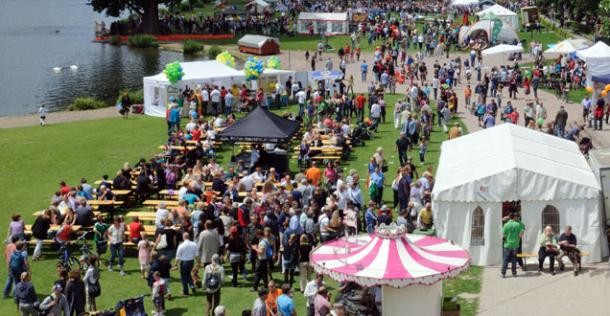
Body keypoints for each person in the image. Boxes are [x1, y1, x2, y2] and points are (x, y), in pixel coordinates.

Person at [501, 213, 524, 278]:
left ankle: (503, 273)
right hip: (515, 244)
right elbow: (520, 235)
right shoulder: (517, 224)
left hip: (507, 244)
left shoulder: (506, 225)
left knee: (505, 259)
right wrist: (521, 232)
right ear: (514, 217)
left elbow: (503, 235)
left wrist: (505, 240)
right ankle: (514, 273)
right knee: (514, 259)